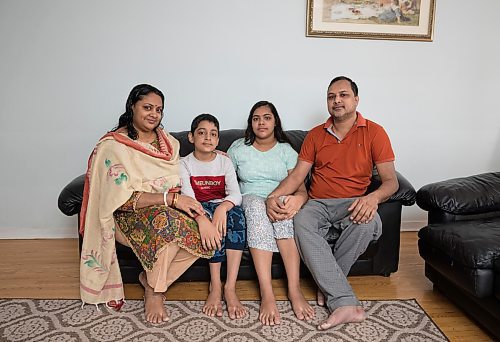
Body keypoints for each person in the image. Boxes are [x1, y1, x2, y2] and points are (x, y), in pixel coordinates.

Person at [79, 84, 221, 324]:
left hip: (168, 209)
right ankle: (155, 293)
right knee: (166, 223)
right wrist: (170, 199)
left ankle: (150, 280)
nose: (154, 114)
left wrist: (198, 216)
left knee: (206, 236)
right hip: (127, 215)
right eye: (147, 107)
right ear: (132, 107)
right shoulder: (114, 146)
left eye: (159, 109)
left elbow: (175, 184)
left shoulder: (169, 144)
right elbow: (120, 200)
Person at [267, 76, 399, 330]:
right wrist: (272, 198)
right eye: (331, 96)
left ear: (356, 99)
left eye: (343, 95)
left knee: (368, 223)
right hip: (318, 204)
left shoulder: (375, 132)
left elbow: (391, 182)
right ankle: (340, 295)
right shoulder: (316, 135)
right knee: (301, 220)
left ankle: (333, 292)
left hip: (354, 203)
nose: (336, 100)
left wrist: (372, 198)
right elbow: (297, 175)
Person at [227, 101, 315, 326]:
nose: (261, 122)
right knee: (257, 207)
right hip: (251, 198)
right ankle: (267, 294)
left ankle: (294, 290)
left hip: (279, 198)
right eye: (256, 118)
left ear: (275, 121)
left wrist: (295, 200)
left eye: (266, 117)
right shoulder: (238, 148)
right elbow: (226, 181)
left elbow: (300, 188)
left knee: (284, 204)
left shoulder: (287, 150)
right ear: (251, 123)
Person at [180, 113, 247, 320]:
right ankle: (216, 285)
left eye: (213, 134)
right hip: (197, 208)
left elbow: (236, 194)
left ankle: (230, 287)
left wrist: (222, 208)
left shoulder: (224, 162)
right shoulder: (184, 163)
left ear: (218, 140)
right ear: (191, 137)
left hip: (221, 207)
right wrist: (206, 216)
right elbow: (188, 198)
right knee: (213, 224)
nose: (207, 138)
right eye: (202, 133)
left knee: (237, 218)